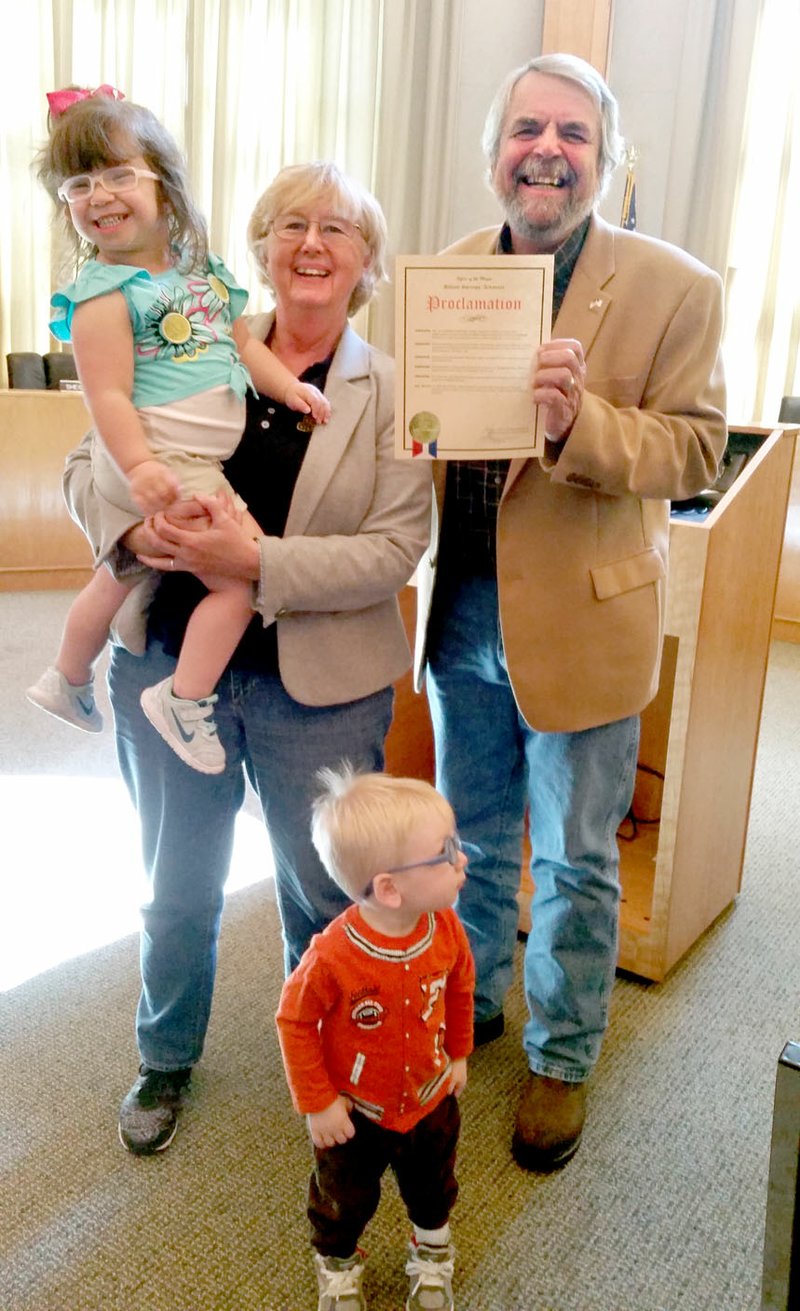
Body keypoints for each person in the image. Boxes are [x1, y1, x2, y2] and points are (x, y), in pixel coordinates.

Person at [62, 160, 432, 1155]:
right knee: (174, 881)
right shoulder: (180, 326)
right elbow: (83, 464)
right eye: (291, 225)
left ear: (366, 261)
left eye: (337, 230)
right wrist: (132, 538)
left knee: (320, 895)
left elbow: (395, 548)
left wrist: (252, 561)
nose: (312, 245)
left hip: (316, 690)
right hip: (167, 666)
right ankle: (165, 1055)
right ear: (261, 246)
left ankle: (331, 1061)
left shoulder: (396, 392)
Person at [415, 53, 727, 1172]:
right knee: (473, 842)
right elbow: (420, 440)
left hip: (584, 621)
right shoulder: (441, 277)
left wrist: (574, 426)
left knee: (578, 860)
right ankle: (478, 1006)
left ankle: (559, 1054)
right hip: (456, 618)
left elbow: (692, 450)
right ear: (492, 151)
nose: (544, 150)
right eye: (523, 130)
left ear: (604, 158)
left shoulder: (673, 287)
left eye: (571, 134)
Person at [27, 89, 330, 775]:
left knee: (122, 569)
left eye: (117, 174)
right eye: (79, 185)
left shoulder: (196, 276)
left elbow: (245, 347)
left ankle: (67, 673)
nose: (98, 195)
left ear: (165, 181)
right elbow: (105, 397)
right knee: (241, 576)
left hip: (180, 458)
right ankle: (184, 698)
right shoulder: (103, 296)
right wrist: (138, 469)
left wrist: (291, 388)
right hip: (166, 454)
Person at [276, 766, 474, 1311]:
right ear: (389, 888)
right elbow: (293, 1021)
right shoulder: (333, 956)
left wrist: (458, 1050)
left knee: (434, 1187)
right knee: (343, 1199)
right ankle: (337, 1266)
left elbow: (460, 984)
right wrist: (317, 1102)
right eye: (446, 852)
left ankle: (432, 1252)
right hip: (354, 1115)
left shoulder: (445, 926)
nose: (463, 859)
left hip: (431, 1096)